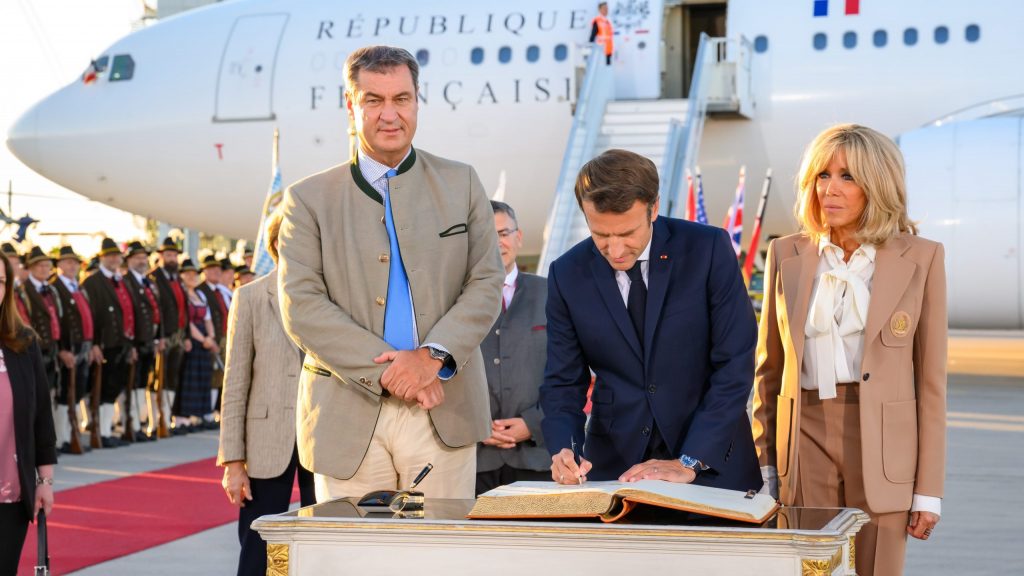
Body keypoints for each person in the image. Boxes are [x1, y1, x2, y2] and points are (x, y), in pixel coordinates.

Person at [278, 45, 503, 502]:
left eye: (401, 99)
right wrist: (392, 372)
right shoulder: (307, 200)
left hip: (444, 407)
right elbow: (300, 306)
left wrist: (431, 357)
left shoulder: (461, 183)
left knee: (441, 561)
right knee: (352, 562)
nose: (389, 114)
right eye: (373, 100)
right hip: (347, 413)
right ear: (350, 105)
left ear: (417, 101)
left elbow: (485, 283)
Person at [751, 124, 945, 576]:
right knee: (809, 569)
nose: (829, 190)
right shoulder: (786, 254)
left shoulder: (922, 257)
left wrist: (928, 490)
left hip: (883, 440)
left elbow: (932, 383)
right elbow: (768, 371)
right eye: (822, 175)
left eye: (847, 177)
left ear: (877, 186)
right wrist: (763, 465)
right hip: (805, 435)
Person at [540, 149, 761, 491]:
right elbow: (563, 381)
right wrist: (565, 448)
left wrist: (690, 460)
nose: (614, 251)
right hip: (613, 469)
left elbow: (734, 365)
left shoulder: (708, 250)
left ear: (654, 208)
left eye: (627, 233)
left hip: (712, 465)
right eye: (601, 235)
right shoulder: (566, 274)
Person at [218, 210, 314, 576]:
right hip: (265, 444)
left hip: (322, 439)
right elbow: (235, 384)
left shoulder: (331, 297)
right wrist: (233, 462)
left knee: (322, 541)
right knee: (258, 548)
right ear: (275, 245)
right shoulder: (251, 298)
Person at [476, 201, 550, 495]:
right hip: (473, 462)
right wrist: (476, 425)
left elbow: (573, 373)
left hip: (540, 458)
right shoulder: (452, 301)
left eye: (503, 233)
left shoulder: (553, 294)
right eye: (485, 234)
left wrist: (534, 423)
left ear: (518, 237)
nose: (497, 243)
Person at [0, 253, 56, 576]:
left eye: (1, 281)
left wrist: (44, 481)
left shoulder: (24, 342)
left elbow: (42, 418)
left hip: (11, 495)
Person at [81, 238, 138, 448]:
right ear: (102, 258)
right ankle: (100, 432)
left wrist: (131, 344)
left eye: (116, 256)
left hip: (122, 342)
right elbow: (90, 315)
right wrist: (94, 343)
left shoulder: (121, 280)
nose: (114, 259)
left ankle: (106, 430)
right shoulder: (92, 282)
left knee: (114, 387)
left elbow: (130, 312)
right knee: (101, 388)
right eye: (110, 256)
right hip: (104, 344)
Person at [50, 246, 97, 453]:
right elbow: (56, 322)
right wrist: (62, 349)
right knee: (64, 394)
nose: (72, 266)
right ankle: (60, 439)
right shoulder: (55, 287)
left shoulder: (78, 287)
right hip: (68, 347)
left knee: (77, 391)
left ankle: (72, 433)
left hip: (84, 346)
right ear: (59, 265)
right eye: (67, 262)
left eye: (75, 262)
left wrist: (93, 344)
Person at [149, 238, 190, 435]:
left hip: (179, 335)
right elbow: (154, 310)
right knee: (158, 378)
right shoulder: (154, 278)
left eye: (174, 255)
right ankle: (156, 421)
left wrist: (188, 335)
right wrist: (159, 336)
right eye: (168, 255)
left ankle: (166, 418)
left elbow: (185, 309)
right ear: (160, 256)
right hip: (164, 336)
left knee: (172, 377)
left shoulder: (178, 279)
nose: (172, 258)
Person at [124, 241, 161, 442]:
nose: (142, 261)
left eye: (144, 257)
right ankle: (133, 424)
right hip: (135, 341)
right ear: (129, 260)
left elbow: (157, 310)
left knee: (142, 384)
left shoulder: (147, 282)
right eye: (138, 257)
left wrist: (159, 336)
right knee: (133, 383)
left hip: (149, 340)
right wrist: (130, 345)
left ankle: (140, 423)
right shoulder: (126, 281)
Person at [178, 258, 218, 428]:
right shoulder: (183, 295)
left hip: (204, 341)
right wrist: (203, 339)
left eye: (194, 274)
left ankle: (200, 416)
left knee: (204, 379)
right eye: (188, 274)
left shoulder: (200, 294)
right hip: (193, 341)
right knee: (190, 380)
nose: (192, 277)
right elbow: (188, 322)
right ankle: (186, 419)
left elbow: (207, 319)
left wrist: (211, 337)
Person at [20, 247, 62, 396]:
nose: (45, 269)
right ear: (31, 267)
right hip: (35, 351)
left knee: (50, 392)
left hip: (52, 349)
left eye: (47, 265)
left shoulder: (51, 290)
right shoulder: (23, 291)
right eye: (40, 265)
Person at [198, 255, 229, 429]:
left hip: (222, 337)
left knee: (219, 376)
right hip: (211, 338)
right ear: (205, 271)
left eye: (218, 269)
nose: (216, 272)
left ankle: (213, 411)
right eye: (212, 269)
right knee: (211, 375)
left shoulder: (220, 291)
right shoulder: (201, 290)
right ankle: (207, 412)